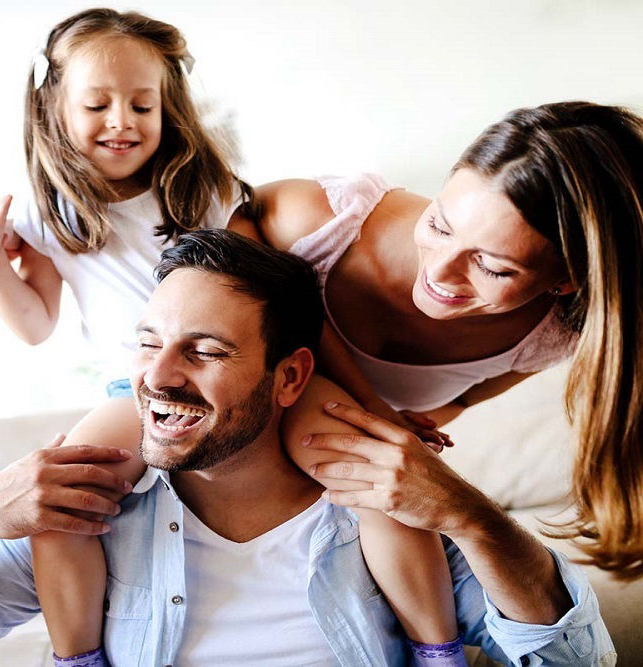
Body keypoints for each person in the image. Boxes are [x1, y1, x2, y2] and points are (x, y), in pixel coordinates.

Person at [0, 8, 465, 660]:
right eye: (97, 105)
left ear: (168, 107)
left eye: (142, 105)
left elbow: (282, 310)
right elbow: (34, 324)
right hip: (134, 392)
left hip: (252, 374)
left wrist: (377, 409)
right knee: (64, 501)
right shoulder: (50, 216)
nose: (122, 121)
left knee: (375, 477)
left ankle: (437, 648)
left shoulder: (205, 192)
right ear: (54, 109)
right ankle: (79, 656)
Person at [0, 229, 614, 666]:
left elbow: (572, 659)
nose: (157, 377)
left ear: (290, 377)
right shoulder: (92, 510)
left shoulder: (378, 506)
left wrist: (472, 517)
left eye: (205, 350)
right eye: (148, 342)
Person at [247, 101, 643, 584]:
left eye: (492, 266)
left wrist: (404, 434)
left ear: (565, 281)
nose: (438, 271)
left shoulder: (551, 336)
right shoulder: (312, 221)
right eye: (439, 225)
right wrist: (371, 405)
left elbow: (461, 399)